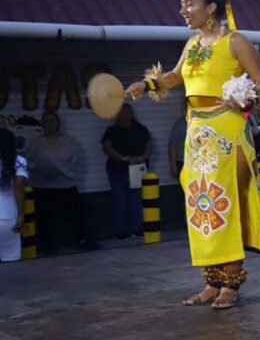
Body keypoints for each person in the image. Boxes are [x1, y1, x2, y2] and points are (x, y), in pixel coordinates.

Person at [126, 0, 260, 309]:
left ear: (212, 7)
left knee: (225, 205)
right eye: (182, 5)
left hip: (227, 134)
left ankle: (231, 284)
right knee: (202, 206)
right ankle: (210, 279)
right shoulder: (192, 45)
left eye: (189, 4)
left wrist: (244, 102)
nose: (183, 10)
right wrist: (145, 83)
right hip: (197, 134)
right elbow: (174, 78)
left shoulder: (235, 41)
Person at [26, 111, 97, 253]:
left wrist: (62, 170)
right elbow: (28, 160)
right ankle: (46, 244)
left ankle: (82, 240)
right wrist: (40, 169)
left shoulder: (68, 141)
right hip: (42, 185)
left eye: (52, 120)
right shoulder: (35, 142)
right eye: (46, 121)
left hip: (65, 184)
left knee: (75, 214)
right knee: (44, 217)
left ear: (58, 123)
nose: (49, 124)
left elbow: (75, 160)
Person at [101, 104, 152, 240]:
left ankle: (137, 228)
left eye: (127, 112)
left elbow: (148, 146)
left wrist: (142, 158)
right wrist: (123, 158)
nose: (124, 115)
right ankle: (120, 230)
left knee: (136, 199)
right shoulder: (111, 130)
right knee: (120, 199)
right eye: (121, 112)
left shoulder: (140, 129)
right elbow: (107, 148)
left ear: (131, 114)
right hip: (118, 167)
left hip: (137, 167)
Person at [0, 128, 26, 262]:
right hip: (8, 216)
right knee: (10, 258)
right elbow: (19, 185)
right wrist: (21, 214)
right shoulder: (19, 160)